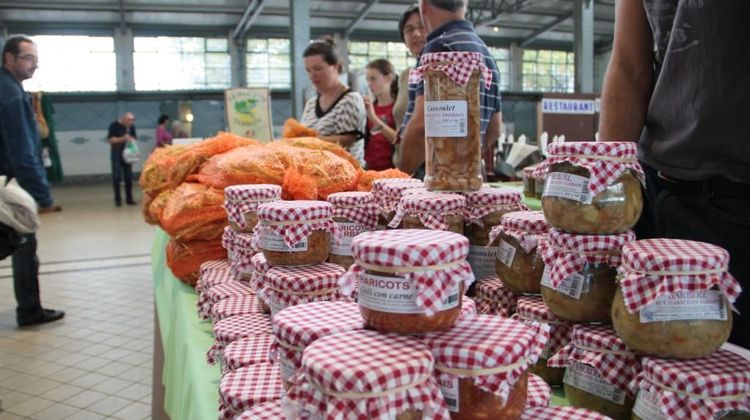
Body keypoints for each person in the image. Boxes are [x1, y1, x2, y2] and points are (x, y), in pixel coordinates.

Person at [599, 0, 750, 349]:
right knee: (650, 363)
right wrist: (607, 189)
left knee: (731, 378)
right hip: (655, 192)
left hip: (736, 197)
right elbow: (628, 65)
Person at [0, 35, 65, 327]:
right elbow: (23, 150)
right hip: (10, 186)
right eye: (27, 58)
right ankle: (29, 310)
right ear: (9, 59)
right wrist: (43, 196)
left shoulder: (9, 88)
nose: (33, 65)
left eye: (36, 60)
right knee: (24, 246)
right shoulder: (11, 94)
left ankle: (30, 307)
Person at [398, 0, 503, 179]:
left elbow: (422, 127)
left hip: (438, 179)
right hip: (470, 176)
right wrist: (467, 155)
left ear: (423, 6)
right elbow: (495, 128)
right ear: (464, 5)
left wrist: (400, 179)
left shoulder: (439, 47)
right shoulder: (485, 52)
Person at [300, 40, 367, 167]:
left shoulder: (350, 99)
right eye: (308, 71)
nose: (312, 76)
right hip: (318, 172)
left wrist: (308, 142)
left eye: (318, 69)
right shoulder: (311, 103)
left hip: (346, 174)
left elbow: (347, 140)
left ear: (335, 67)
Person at [392, 4, 427, 168]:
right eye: (409, 29)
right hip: (404, 164)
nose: (416, 34)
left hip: (425, 169)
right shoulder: (406, 76)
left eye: (422, 26)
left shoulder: (438, 69)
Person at [363, 59, 398, 170]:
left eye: (373, 79)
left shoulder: (398, 108)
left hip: (392, 171)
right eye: (367, 79)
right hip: (369, 169)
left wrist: (373, 118)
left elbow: (399, 140)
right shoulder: (370, 107)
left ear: (388, 78)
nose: (369, 84)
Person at [107, 112, 137, 206]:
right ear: (123, 119)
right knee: (117, 177)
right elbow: (110, 140)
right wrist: (123, 138)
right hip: (116, 153)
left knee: (128, 176)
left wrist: (131, 139)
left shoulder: (131, 127)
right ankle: (118, 199)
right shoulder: (114, 125)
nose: (130, 122)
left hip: (128, 154)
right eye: (129, 120)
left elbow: (134, 138)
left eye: (132, 120)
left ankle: (129, 198)